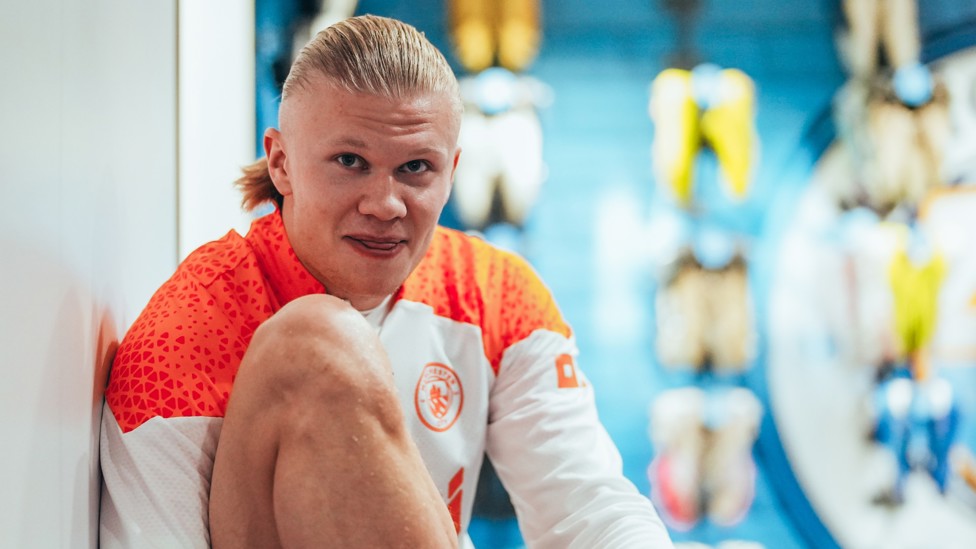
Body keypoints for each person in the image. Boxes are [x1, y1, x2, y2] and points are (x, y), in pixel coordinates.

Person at [99, 14, 674, 548]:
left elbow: (587, 510)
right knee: (313, 344)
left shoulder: (496, 294)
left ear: (452, 172)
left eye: (415, 168)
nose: (384, 204)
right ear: (280, 164)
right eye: (349, 161)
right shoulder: (187, 332)